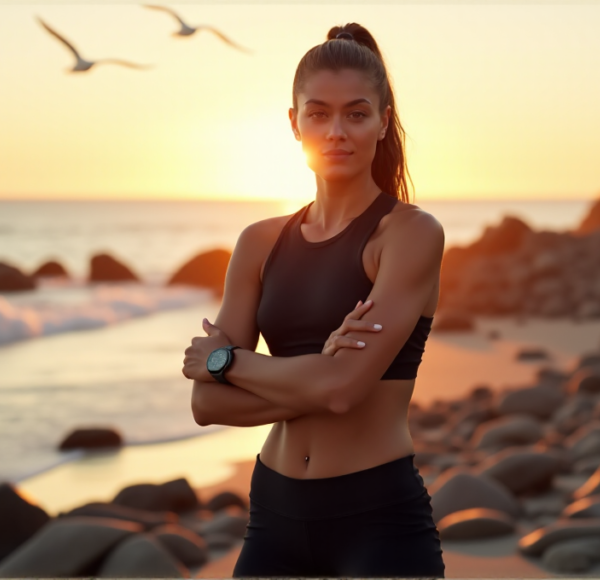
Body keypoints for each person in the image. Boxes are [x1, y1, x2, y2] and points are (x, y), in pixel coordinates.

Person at [181, 22, 445, 578]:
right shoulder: (259, 241)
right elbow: (208, 406)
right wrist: (319, 376)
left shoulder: (408, 236)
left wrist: (226, 362)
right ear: (294, 123)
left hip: (378, 522)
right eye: (318, 113)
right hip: (272, 515)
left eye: (356, 113)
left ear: (382, 120)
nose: (336, 132)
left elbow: (343, 390)